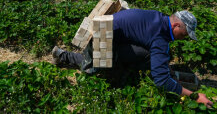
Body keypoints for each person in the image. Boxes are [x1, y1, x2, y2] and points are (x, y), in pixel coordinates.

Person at [52, 9, 213, 108]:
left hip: (113, 32)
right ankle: (62, 55)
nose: (184, 38)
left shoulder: (159, 18)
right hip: (103, 33)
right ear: (176, 26)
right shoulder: (160, 38)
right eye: (184, 34)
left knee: (146, 55)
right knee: (99, 70)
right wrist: (194, 96)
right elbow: (161, 81)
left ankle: (120, 66)